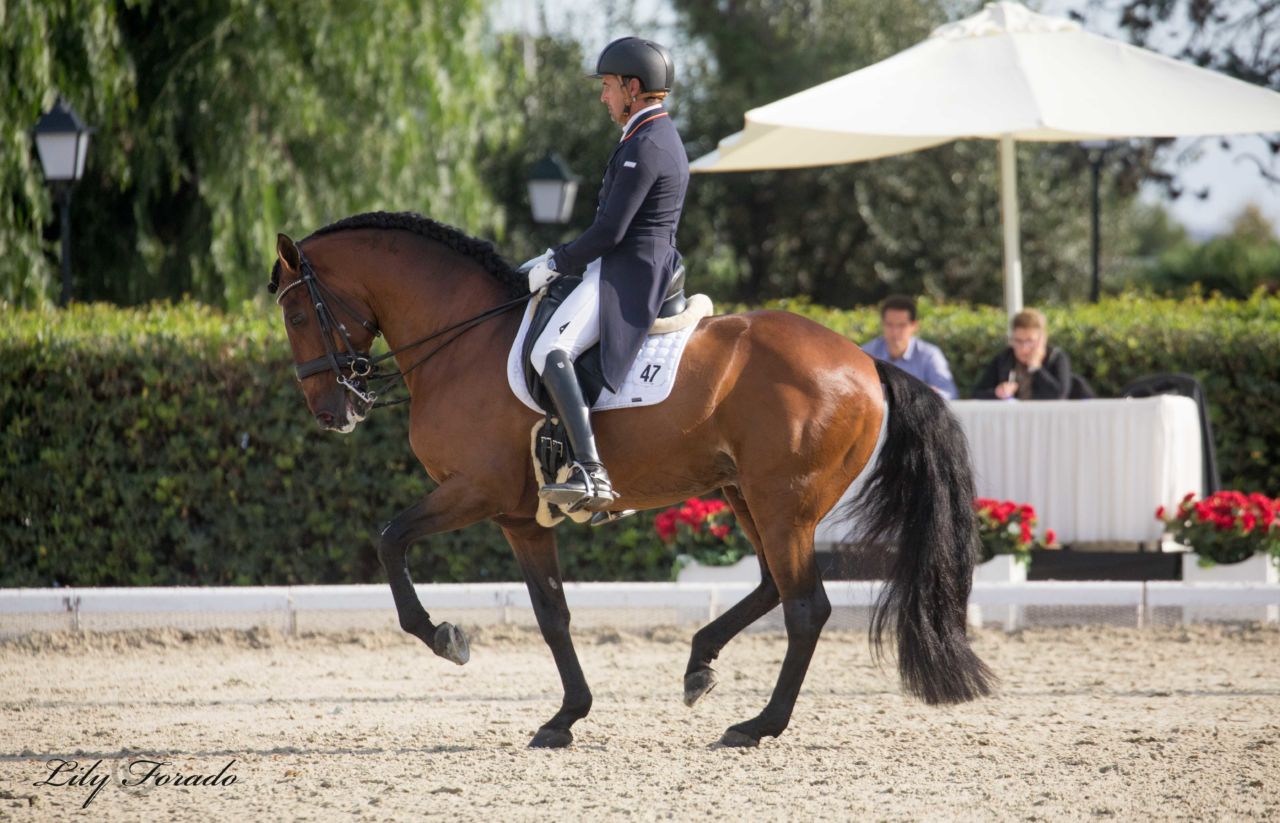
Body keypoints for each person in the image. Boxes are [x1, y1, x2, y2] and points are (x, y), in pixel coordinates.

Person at [518, 36, 690, 512]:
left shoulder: (649, 142)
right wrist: (559, 256)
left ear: (633, 88)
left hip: (627, 269)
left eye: (609, 86)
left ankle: (591, 472)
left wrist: (556, 261)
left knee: (551, 350)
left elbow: (611, 231)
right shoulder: (647, 134)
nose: (603, 96)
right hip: (622, 261)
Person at [860, 295, 958, 399]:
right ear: (882, 325)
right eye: (889, 324)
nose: (895, 332)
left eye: (901, 325)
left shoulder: (930, 355)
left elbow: (949, 394)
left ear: (914, 326)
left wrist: (932, 396)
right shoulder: (867, 353)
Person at [972, 308, 1074, 400]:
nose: (1024, 348)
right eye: (1018, 341)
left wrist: (1036, 369)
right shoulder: (1004, 358)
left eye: (1030, 341)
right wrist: (997, 393)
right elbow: (977, 394)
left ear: (1043, 339)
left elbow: (1060, 395)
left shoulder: (1056, 358)